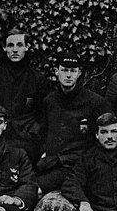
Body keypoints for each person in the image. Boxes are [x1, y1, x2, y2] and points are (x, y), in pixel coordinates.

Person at [0, 28, 49, 166]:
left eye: (19, 45)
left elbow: (45, 115)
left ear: (26, 47)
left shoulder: (37, 79)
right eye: (10, 45)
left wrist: (34, 132)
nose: (15, 50)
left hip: (27, 142)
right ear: (4, 48)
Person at [36, 52, 110, 195]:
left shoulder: (95, 102)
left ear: (79, 73)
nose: (68, 75)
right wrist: (44, 153)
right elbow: (42, 134)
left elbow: (103, 138)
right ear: (57, 72)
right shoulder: (49, 101)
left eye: (72, 71)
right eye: (64, 70)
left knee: (36, 188)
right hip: (51, 163)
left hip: (80, 166)